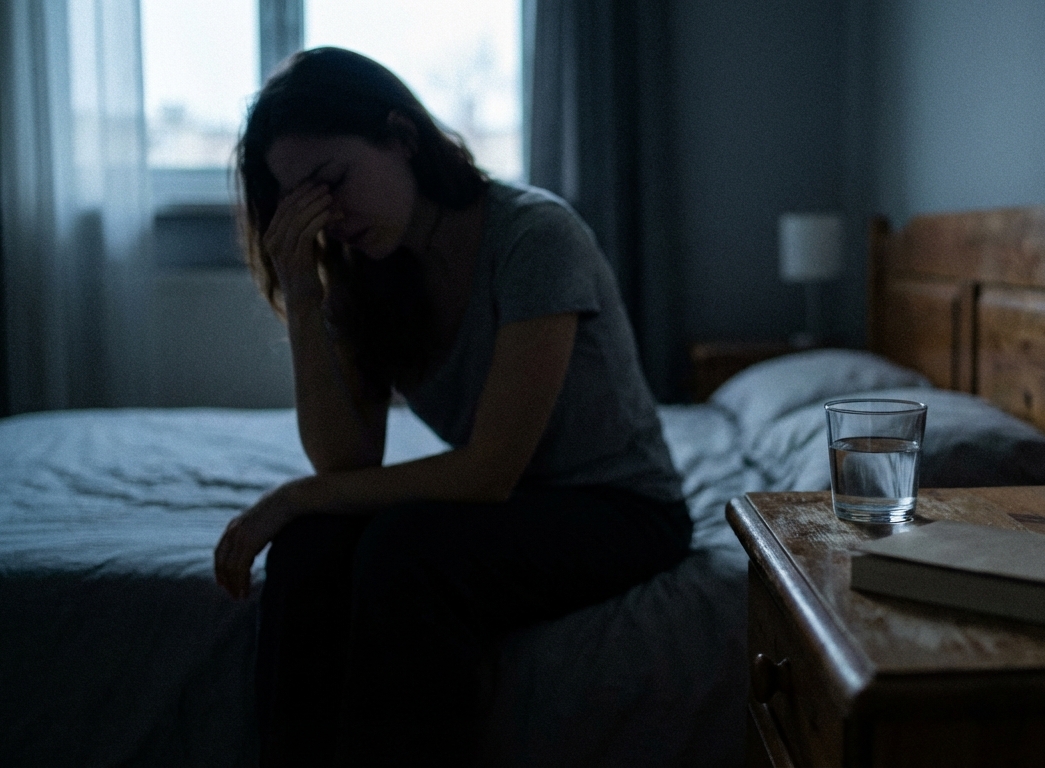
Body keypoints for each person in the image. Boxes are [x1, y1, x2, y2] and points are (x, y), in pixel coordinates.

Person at [213, 47, 691, 766]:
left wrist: (294, 496)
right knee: (311, 546)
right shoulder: (367, 272)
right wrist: (305, 295)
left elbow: (489, 472)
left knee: (405, 551)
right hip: (511, 504)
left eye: (333, 182)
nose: (328, 216)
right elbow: (347, 461)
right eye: (302, 202)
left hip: (621, 506)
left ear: (401, 137)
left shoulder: (535, 235)